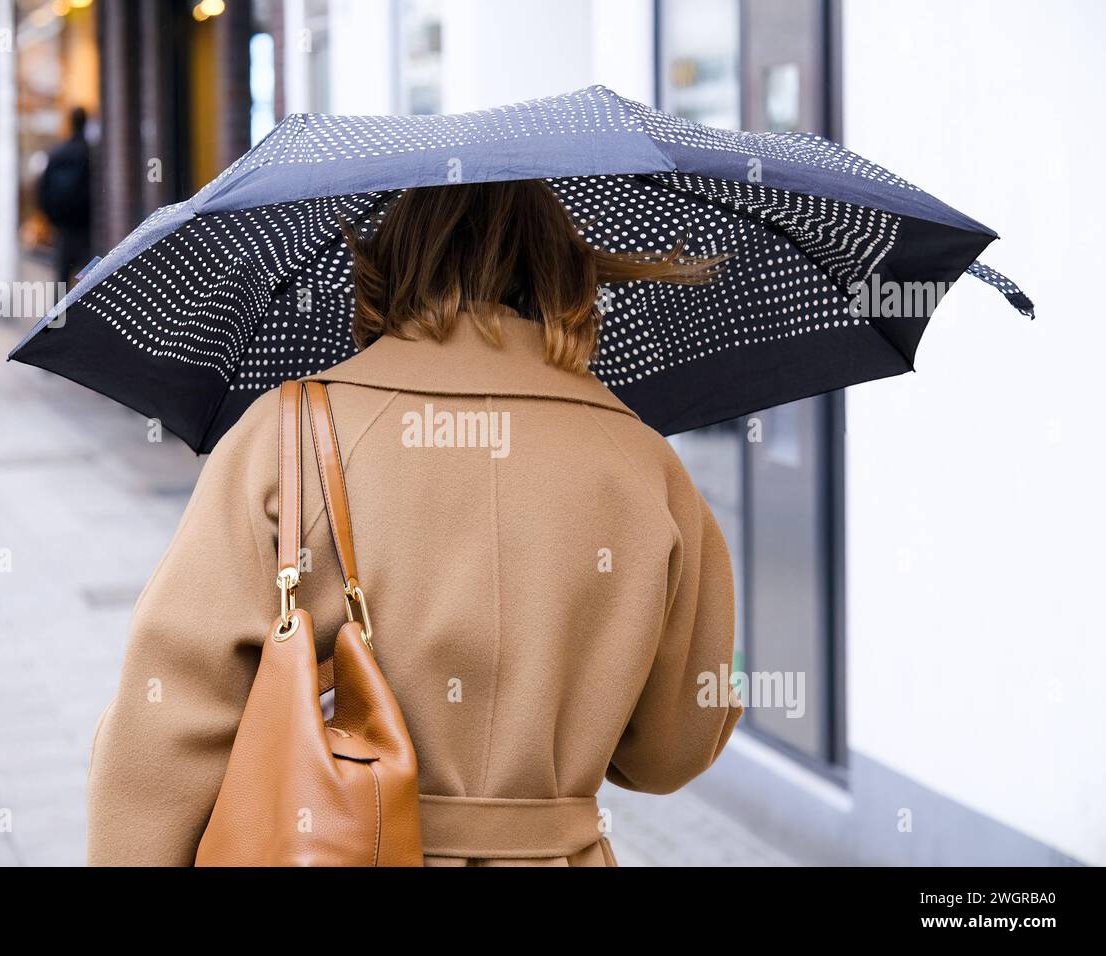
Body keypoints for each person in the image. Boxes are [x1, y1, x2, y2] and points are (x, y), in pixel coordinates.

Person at [85, 179, 743, 867]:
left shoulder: (288, 439)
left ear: (387, 266)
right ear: (563, 273)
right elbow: (671, 753)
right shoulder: (645, 463)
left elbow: (166, 728)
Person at [38, 106, 92, 287]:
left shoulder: (57, 153)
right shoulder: (89, 152)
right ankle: (87, 314)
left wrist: (52, 218)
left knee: (61, 278)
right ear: (85, 124)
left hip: (63, 226)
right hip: (86, 227)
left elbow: (43, 189)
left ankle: (59, 315)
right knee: (88, 278)